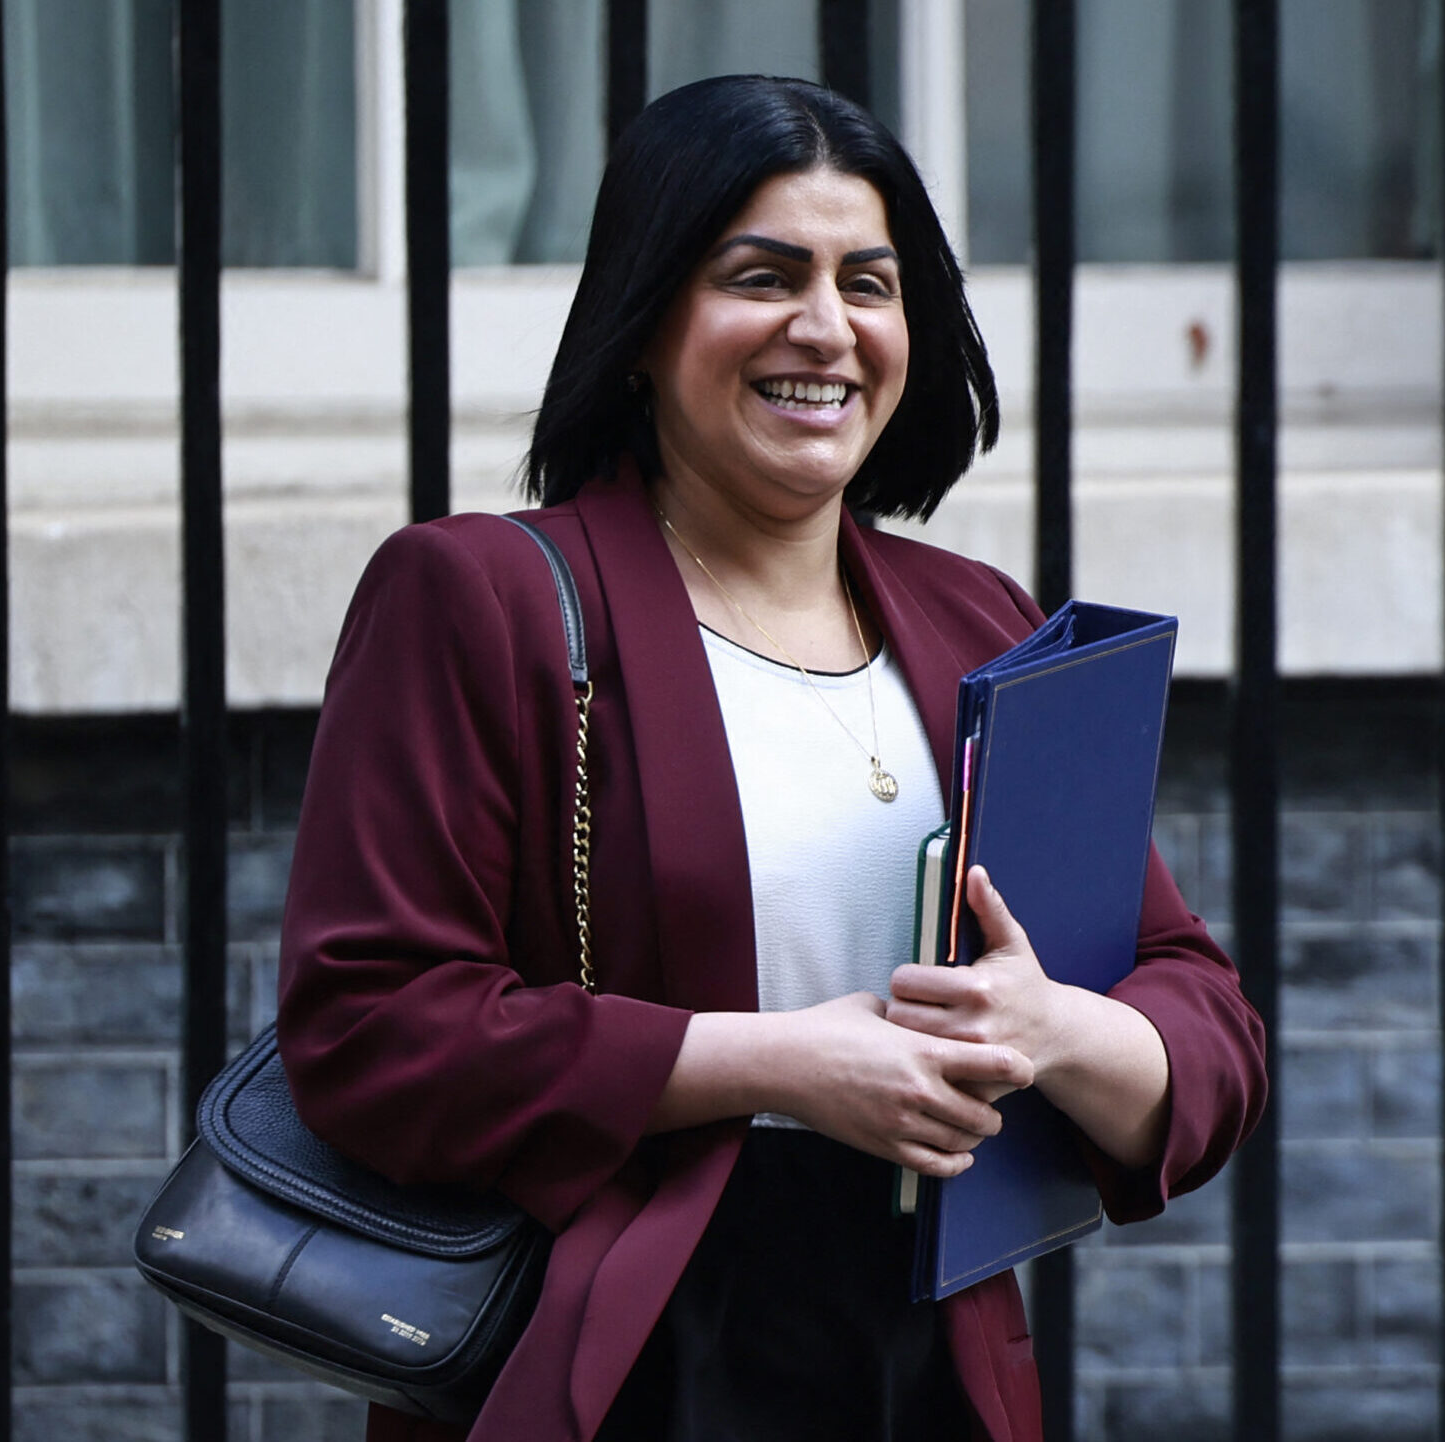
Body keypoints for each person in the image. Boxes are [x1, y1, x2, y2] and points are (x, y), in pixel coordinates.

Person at [278, 75, 1268, 1442]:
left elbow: (1206, 1025)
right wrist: (775, 1063)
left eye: (869, 284)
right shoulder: (482, 599)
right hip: (628, 1361)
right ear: (644, 323)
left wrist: (1052, 1029)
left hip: (933, 1367)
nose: (825, 327)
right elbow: (370, 1031)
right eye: (763, 277)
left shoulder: (980, 620)